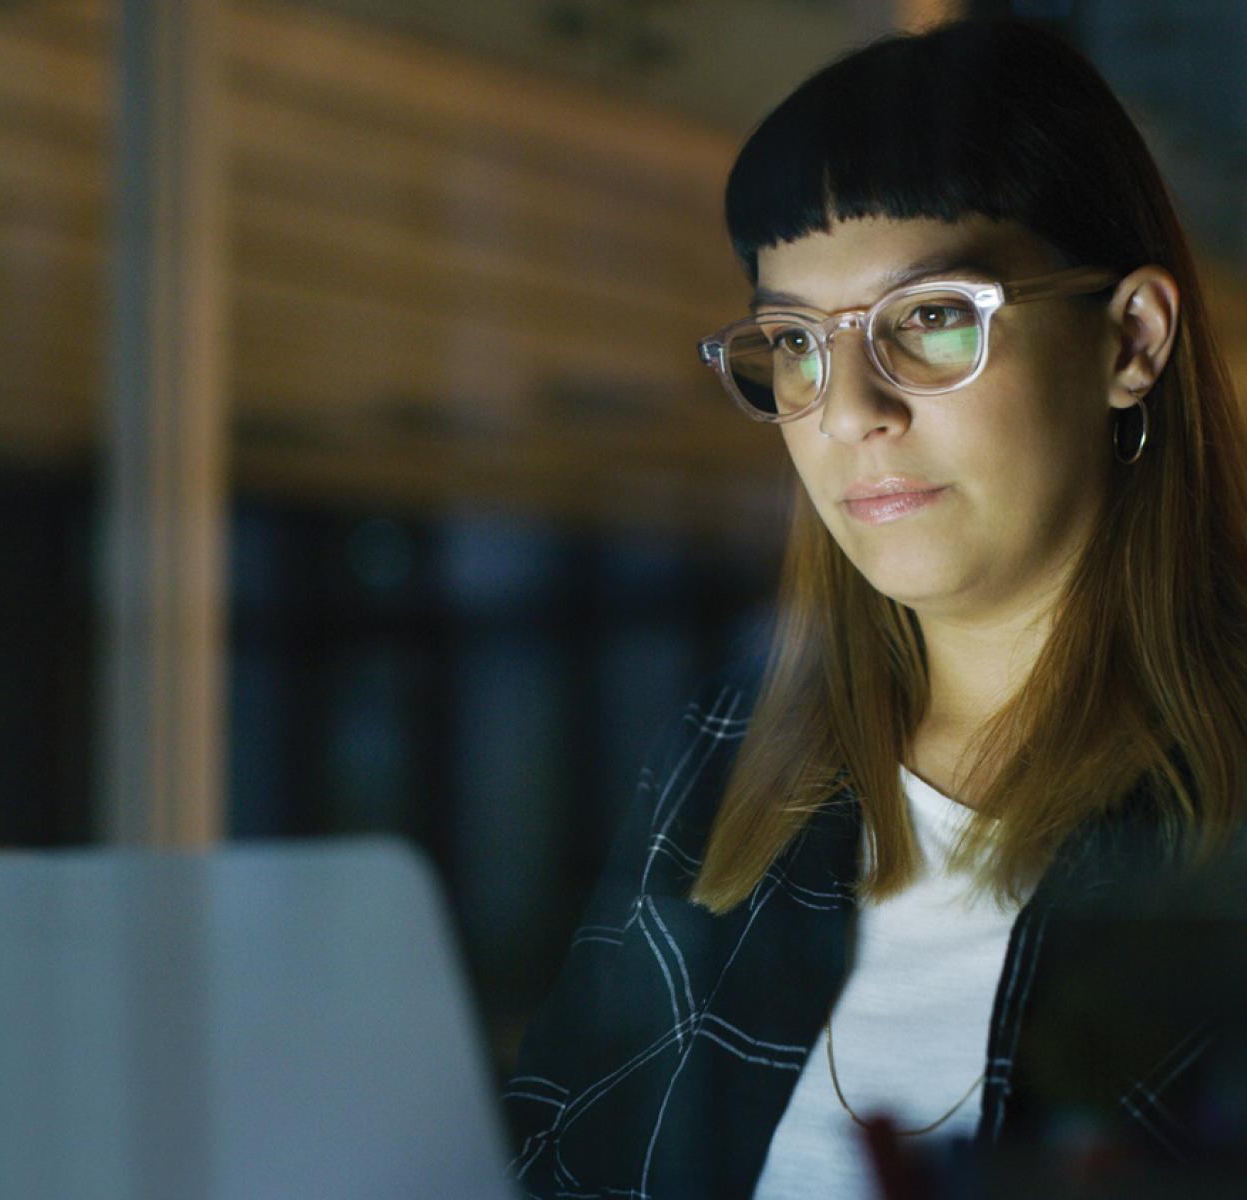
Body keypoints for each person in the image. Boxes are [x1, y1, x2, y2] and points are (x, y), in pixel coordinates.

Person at [503, 17, 1247, 1199]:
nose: (848, 410)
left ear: (1131, 340)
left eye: (932, 317)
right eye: (795, 342)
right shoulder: (725, 770)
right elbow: (549, 1157)